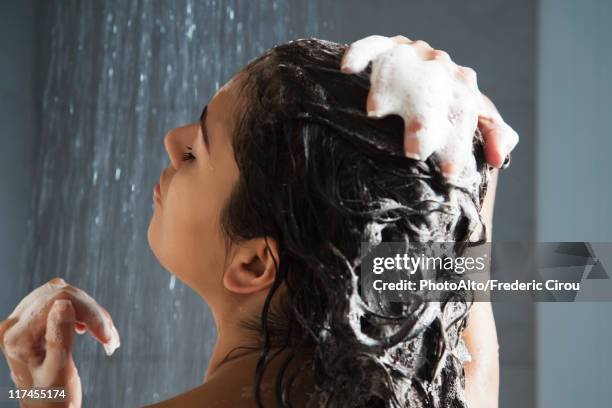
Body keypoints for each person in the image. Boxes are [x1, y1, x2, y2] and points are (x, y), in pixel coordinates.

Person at [0, 36, 512, 407]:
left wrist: (41, 396)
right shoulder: (449, 390)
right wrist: (470, 151)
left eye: (197, 152)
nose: (173, 141)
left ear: (251, 263)